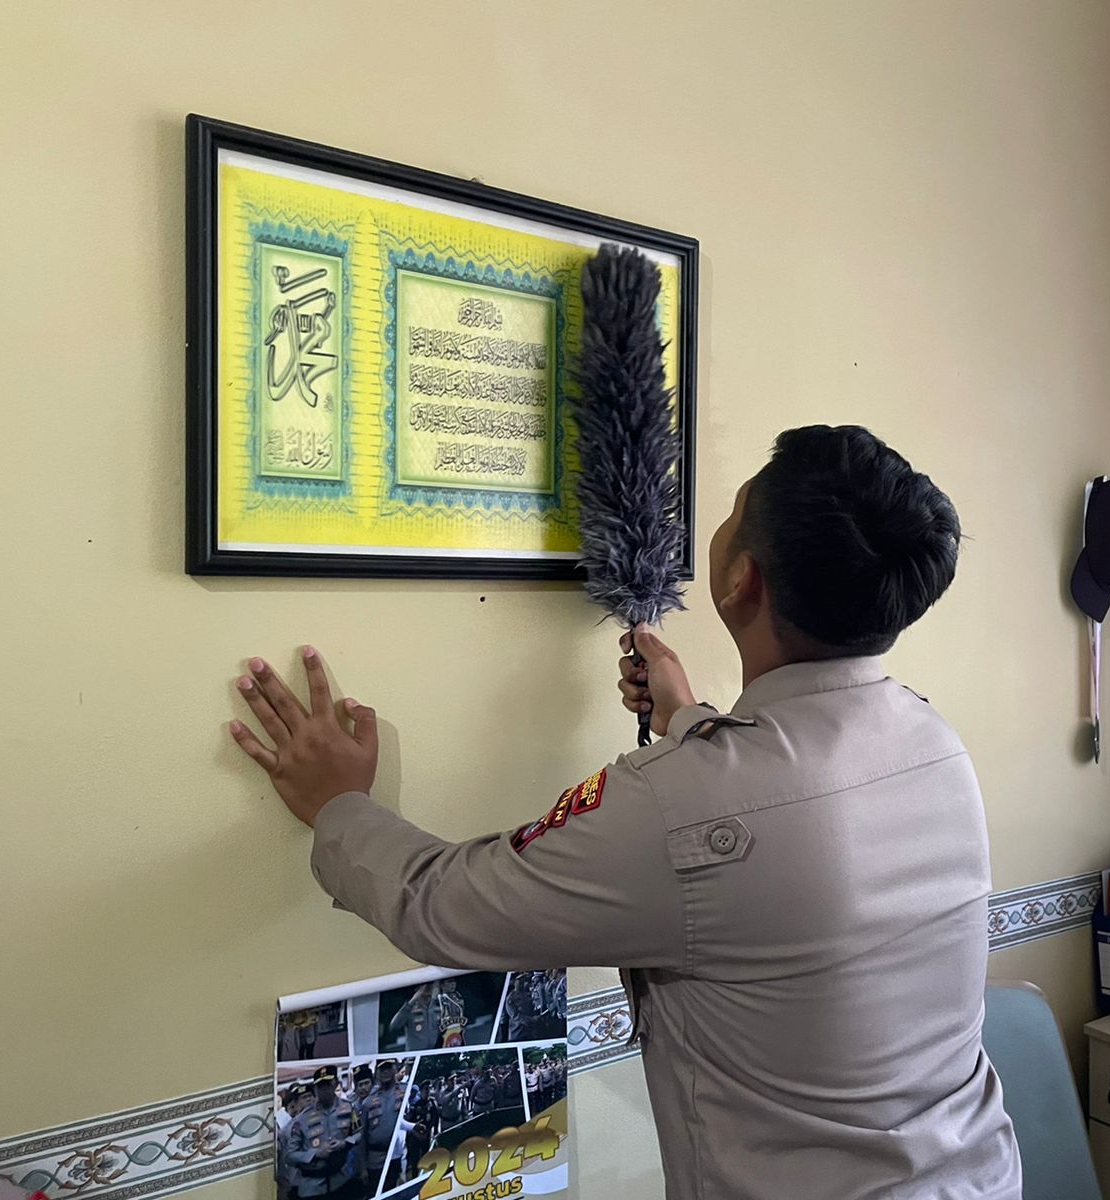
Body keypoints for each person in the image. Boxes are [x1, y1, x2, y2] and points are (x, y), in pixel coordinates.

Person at [228, 425, 1022, 1199]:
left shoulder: (682, 802)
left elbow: (446, 906)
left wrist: (337, 803)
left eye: (733, 510)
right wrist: (689, 721)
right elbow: (779, 813)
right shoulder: (933, 744)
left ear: (742, 580)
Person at [285, 1067, 364, 1200]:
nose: (324, 1090)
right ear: (315, 1089)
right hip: (313, 1187)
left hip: (341, 1181)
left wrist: (344, 1143)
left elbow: (359, 1133)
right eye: (320, 1086)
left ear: (336, 1083)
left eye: (328, 1084)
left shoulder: (348, 1108)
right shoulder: (302, 1119)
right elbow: (290, 1156)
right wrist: (316, 1153)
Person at [358, 1060, 407, 1181]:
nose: (386, 1072)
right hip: (375, 1160)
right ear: (377, 1073)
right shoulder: (368, 1102)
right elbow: (361, 1137)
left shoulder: (405, 1092)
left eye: (388, 1068)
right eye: (382, 1069)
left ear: (395, 1069)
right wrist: (362, 1167)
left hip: (399, 1156)